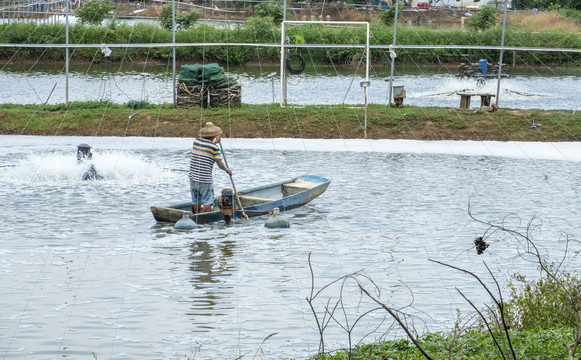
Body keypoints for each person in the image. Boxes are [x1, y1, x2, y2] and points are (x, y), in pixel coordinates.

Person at [189, 122, 232, 214]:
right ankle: (204, 219)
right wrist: (227, 170)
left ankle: (196, 215)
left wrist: (214, 141)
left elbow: (206, 145)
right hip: (205, 178)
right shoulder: (214, 148)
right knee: (207, 200)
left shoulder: (196, 141)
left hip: (193, 176)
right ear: (214, 136)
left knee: (195, 199)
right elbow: (220, 163)